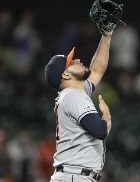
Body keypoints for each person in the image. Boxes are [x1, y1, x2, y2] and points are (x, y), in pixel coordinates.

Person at [44, 29, 113, 182]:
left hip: (72, 175)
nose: (77, 60)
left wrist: (106, 36)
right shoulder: (73, 96)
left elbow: (96, 70)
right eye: (71, 62)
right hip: (74, 176)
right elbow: (100, 130)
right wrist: (107, 116)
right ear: (66, 75)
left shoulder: (72, 94)